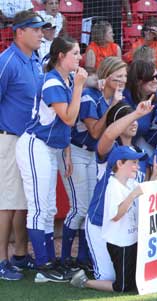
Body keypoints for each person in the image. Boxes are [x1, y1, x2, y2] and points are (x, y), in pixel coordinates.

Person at [16, 36, 87, 282]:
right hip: (35, 145)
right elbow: (69, 118)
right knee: (39, 208)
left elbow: (64, 126)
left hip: (50, 147)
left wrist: (66, 152)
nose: (79, 57)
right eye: (75, 53)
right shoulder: (52, 81)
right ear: (61, 56)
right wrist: (79, 87)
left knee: (49, 208)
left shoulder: (65, 80)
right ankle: (43, 264)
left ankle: (48, 262)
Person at [58, 57, 127, 272]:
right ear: (105, 77)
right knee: (79, 208)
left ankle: (82, 258)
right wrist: (114, 105)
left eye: (124, 76)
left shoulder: (114, 97)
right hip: (75, 151)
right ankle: (64, 259)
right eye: (117, 77)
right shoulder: (90, 96)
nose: (122, 81)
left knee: (89, 209)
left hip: (92, 156)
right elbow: (95, 131)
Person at [70, 146, 157, 292]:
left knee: (133, 280)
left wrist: (155, 175)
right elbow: (116, 215)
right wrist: (132, 196)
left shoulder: (130, 183)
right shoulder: (113, 186)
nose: (137, 167)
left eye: (137, 163)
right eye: (133, 163)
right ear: (120, 164)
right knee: (122, 286)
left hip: (130, 239)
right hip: (120, 242)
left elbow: (146, 190)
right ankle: (85, 282)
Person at [0, 11, 48, 281]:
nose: (41, 34)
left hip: (27, 140)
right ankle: (1, 260)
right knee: (6, 203)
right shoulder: (6, 61)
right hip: (7, 138)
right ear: (20, 32)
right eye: (36, 29)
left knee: (22, 201)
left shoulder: (35, 60)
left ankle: (19, 254)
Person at [85, 101, 153, 283]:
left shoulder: (140, 153)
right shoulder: (111, 150)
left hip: (127, 227)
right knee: (108, 277)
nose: (134, 122)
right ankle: (83, 278)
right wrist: (136, 114)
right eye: (127, 118)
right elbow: (107, 134)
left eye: (136, 119)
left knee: (130, 278)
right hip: (101, 223)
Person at [124, 60, 157, 152]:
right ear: (137, 80)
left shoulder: (156, 99)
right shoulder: (123, 98)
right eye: (151, 78)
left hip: (136, 144)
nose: (155, 81)